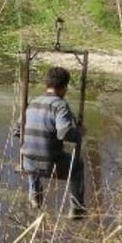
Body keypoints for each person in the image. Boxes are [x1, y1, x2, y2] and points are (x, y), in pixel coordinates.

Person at [16, 66, 87, 219]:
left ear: (46, 85)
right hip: (50, 165)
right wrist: (79, 133)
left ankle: (35, 196)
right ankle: (77, 208)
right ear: (64, 88)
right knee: (78, 164)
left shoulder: (33, 103)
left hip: (28, 163)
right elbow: (64, 133)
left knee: (31, 152)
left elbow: (17, 130)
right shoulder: (60, 105)